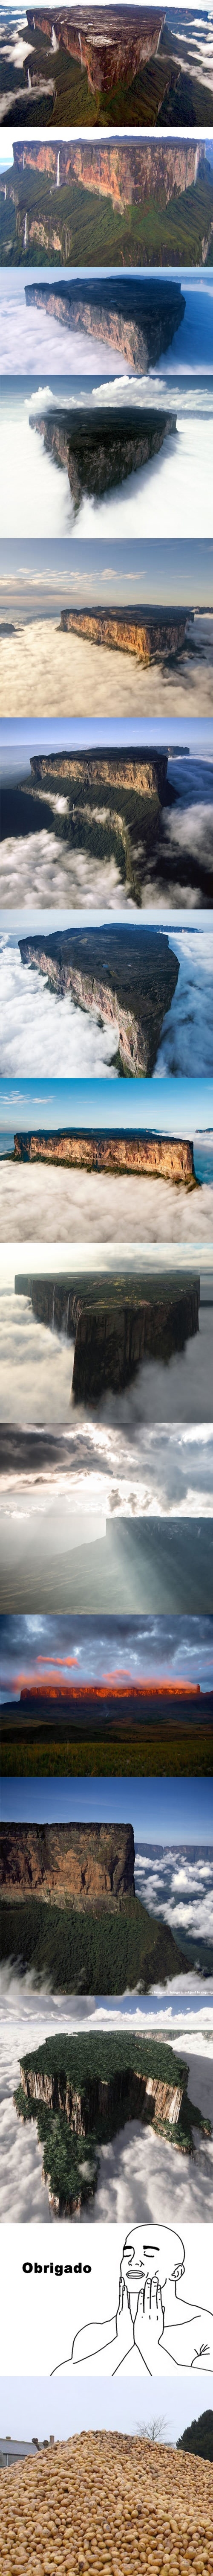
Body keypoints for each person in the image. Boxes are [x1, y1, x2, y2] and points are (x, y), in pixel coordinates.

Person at [51, 2224, 213, 2377]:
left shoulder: (202, 2327)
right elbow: (59, 2381)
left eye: (149, 2254)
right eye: (127, 2254)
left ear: (176, 2272)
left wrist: (150, 2346)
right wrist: (122, 2343)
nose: (133, 2261)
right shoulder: (95, 2334)